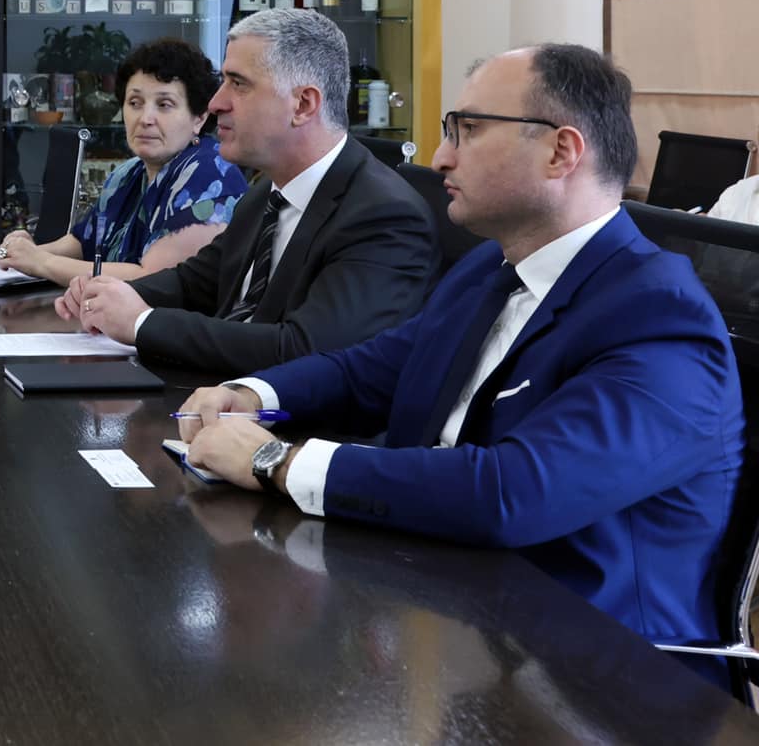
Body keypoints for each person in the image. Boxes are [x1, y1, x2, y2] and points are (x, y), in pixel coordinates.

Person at [175, 44, 742, 646]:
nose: (441, 157)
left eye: (468, 130)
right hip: (437, 604)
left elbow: (512, 492)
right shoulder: (487, 270)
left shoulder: (660, 318)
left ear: (561, 151)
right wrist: (253, 395)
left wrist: (274, 461)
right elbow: (373, 371)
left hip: (591, 666)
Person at [68, 8, 435, 374]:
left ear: (303, 105)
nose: (216, 103)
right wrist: (109, 296)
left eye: (238, 84)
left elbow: (306, 351)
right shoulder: (266, 193)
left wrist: (140, 322)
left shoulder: (384, 217)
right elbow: (194, 283)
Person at [0, 37, 247, 286]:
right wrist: (25, 251)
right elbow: (82, 243)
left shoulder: (211, 174)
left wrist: (41, 262)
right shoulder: (127, 174)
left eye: (164, 105)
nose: (145, 118)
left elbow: (151, 279)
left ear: (199, 117)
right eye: (135, 103)